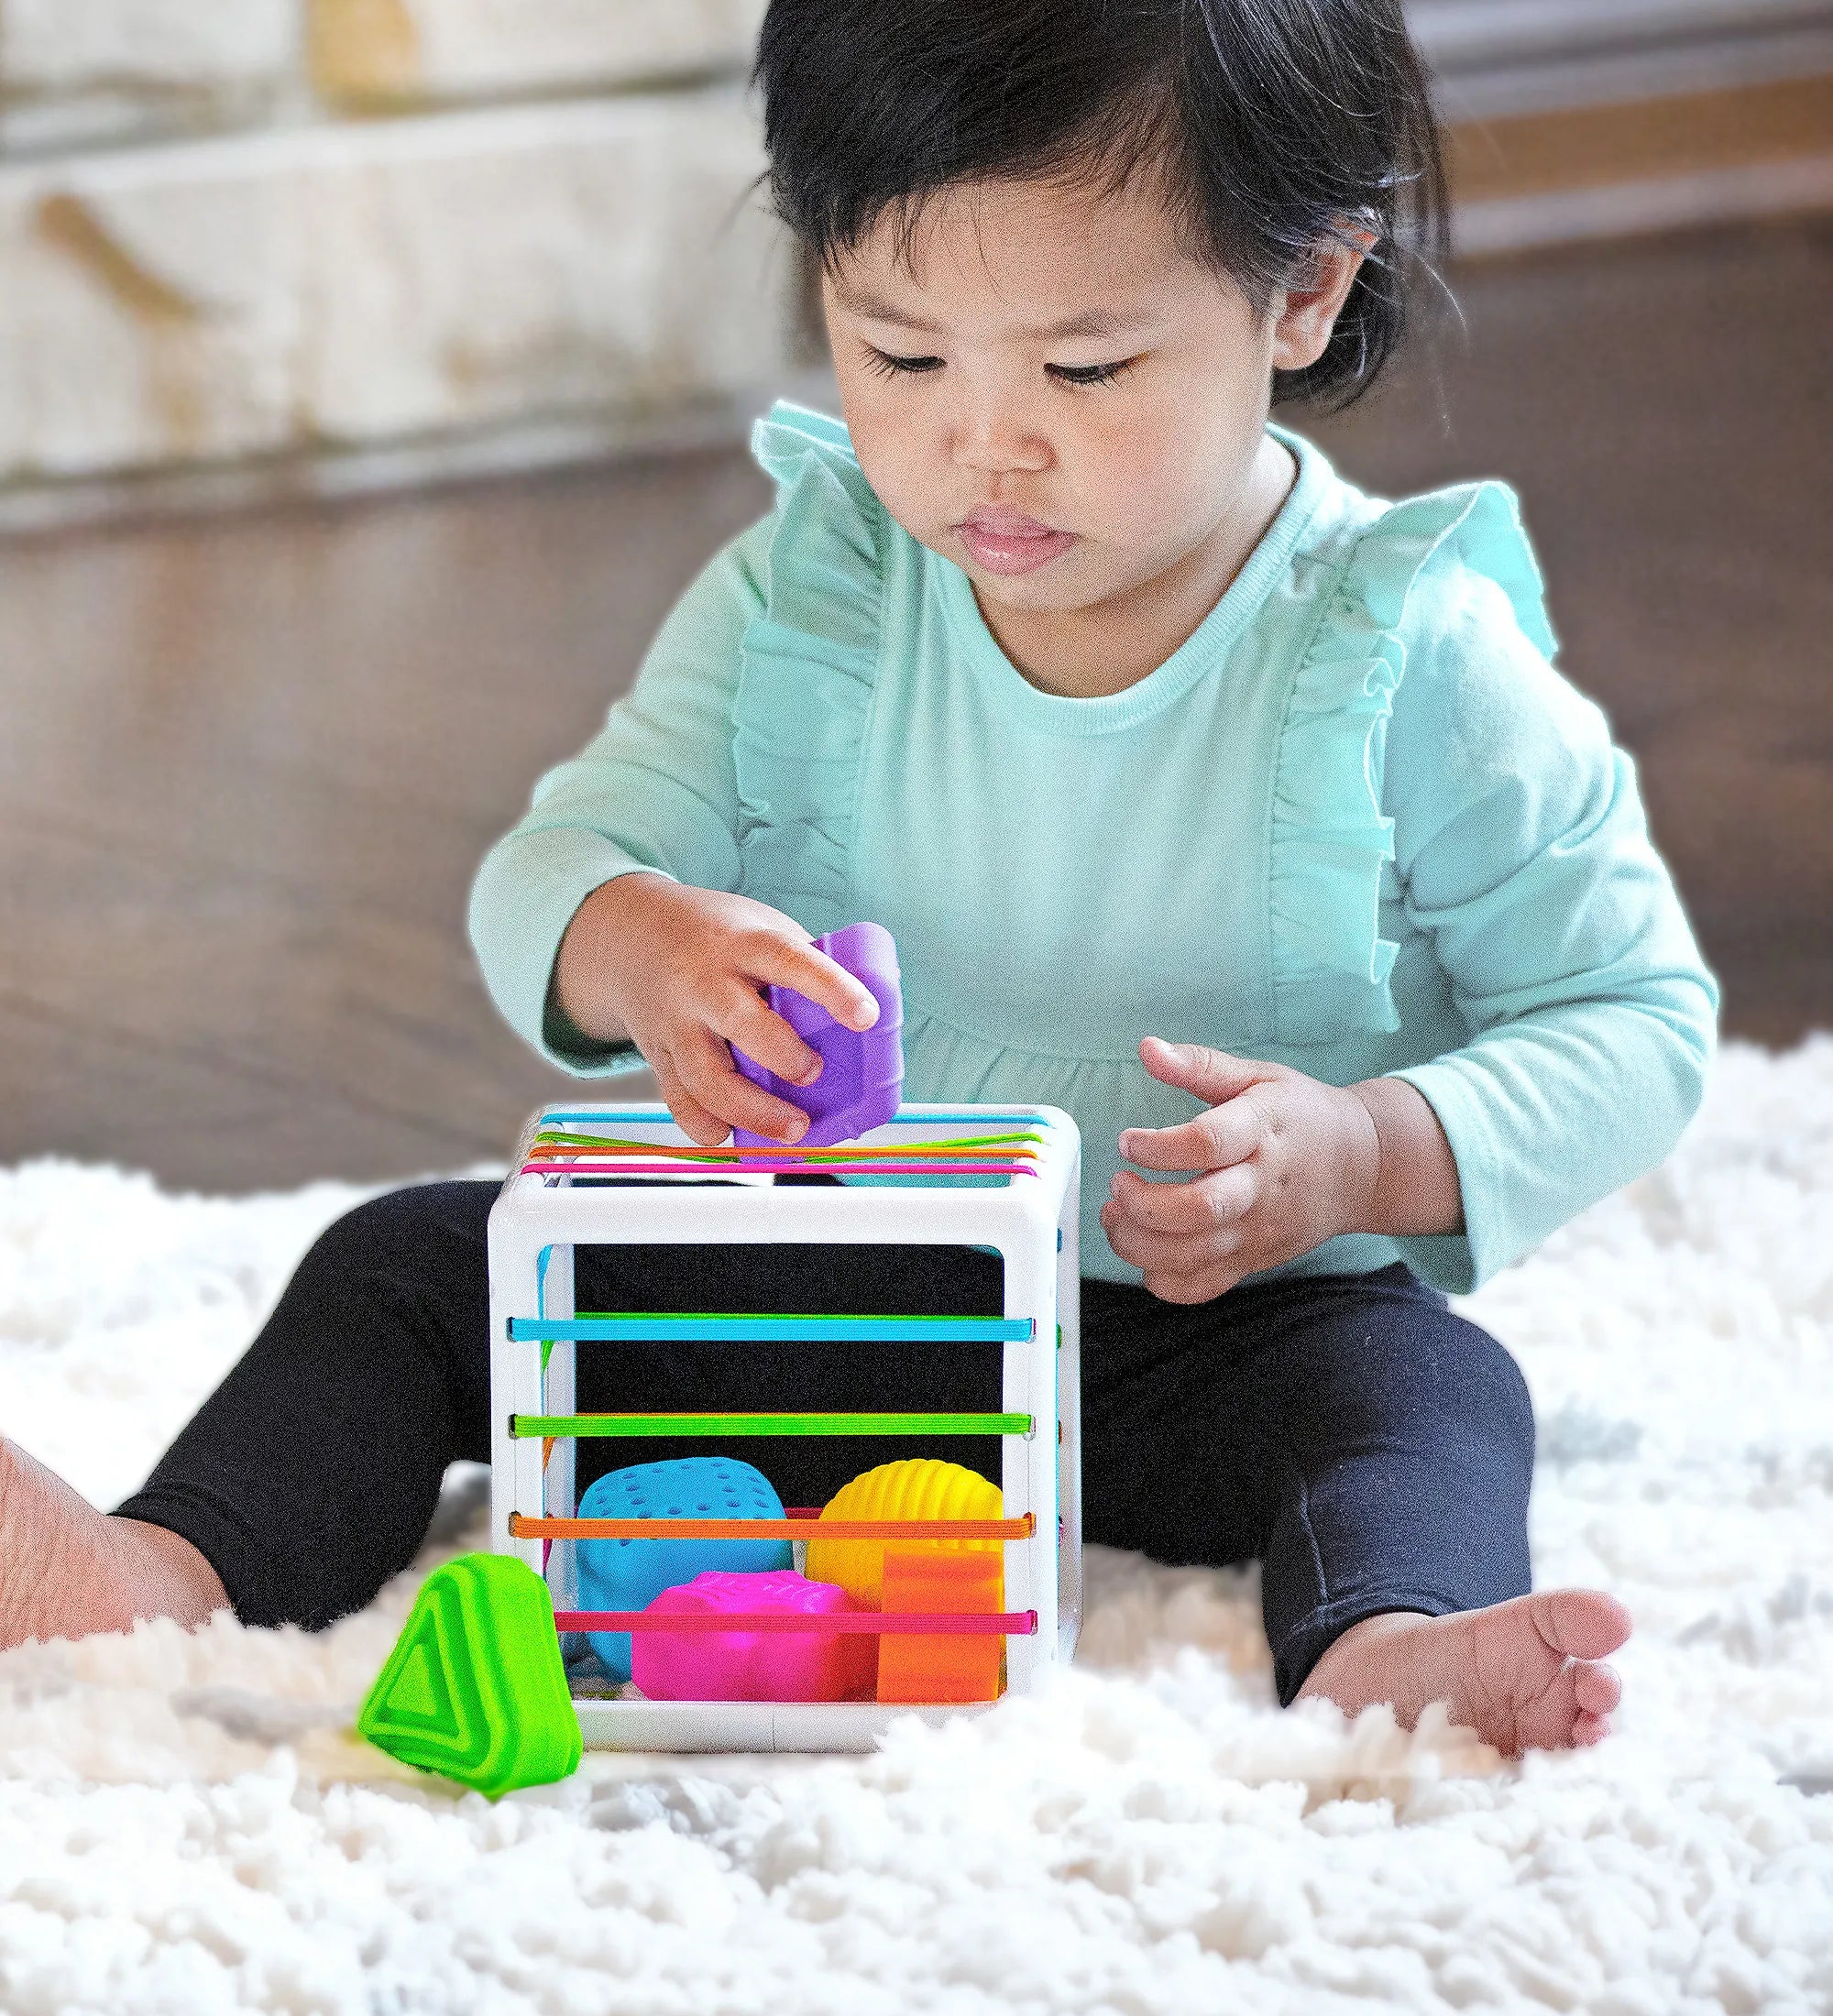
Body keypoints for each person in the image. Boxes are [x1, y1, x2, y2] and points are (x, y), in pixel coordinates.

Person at [0, 0, 1716, 1754]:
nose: (985, 445)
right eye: (902, 356)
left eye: (1083, 369)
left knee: (1426, 1391)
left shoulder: (1408, 647)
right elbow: (554, 866)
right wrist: (644, 944)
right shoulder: (810, 594)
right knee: (416, 1266)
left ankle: (1385, 1647)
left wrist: (1365, 1154)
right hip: (821, 1301)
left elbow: (1634, 1018)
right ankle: (168, 1572)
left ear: (1301, 292)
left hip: (1212, 1343)